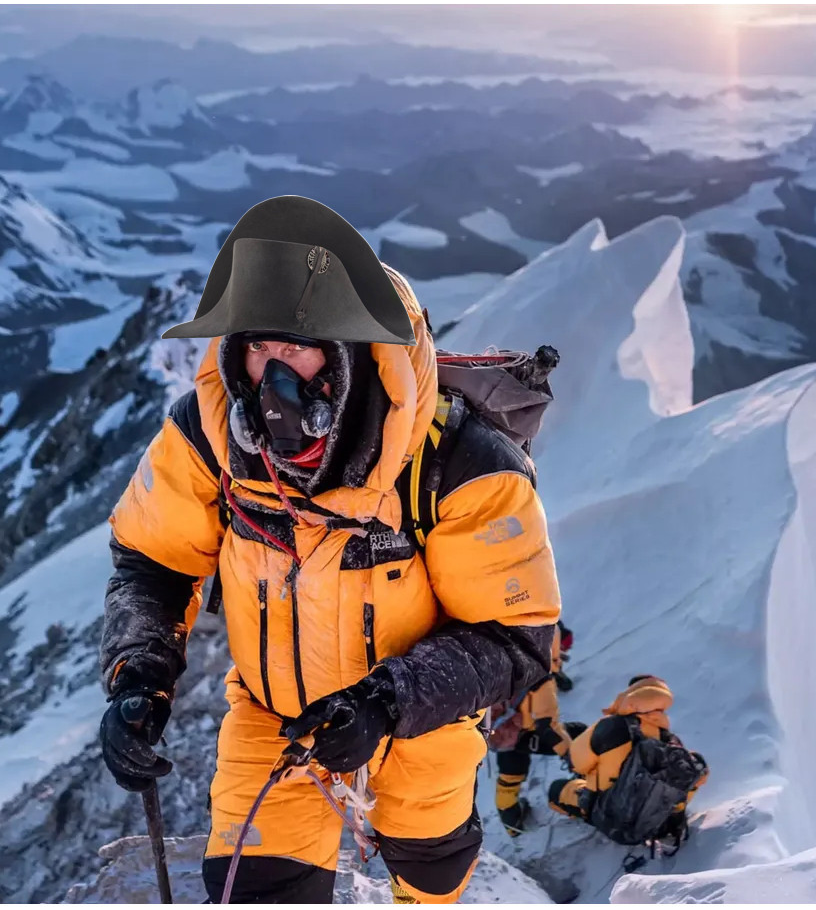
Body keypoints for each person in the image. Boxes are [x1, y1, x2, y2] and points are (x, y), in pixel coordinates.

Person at [96, 195, 562, 904]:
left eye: (297, 346)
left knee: (430, 869)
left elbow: (517, 638)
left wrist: (386, 701)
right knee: (255, 890)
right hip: (271, 713)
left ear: (350, 353)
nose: (273, 375)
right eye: (258, 346)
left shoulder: (459, 462)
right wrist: (140, 674)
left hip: (416, 725)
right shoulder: (211, 435)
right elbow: (153, 560)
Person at [548, 675, 707, 851]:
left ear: (630, 695)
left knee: (557, 789)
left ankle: (580, 813)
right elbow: (682, 786)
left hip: (606, 815)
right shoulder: (671, 743)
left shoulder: (609, 726)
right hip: (649, 824)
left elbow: (577, 763)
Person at [491, 622, 585, 836]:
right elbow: (548, 727)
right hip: (526, 733)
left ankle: (512, 826)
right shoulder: (542, 680)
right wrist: (571, 756)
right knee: (580, 733)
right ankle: (587, 790)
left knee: (509, 778)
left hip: (503, 734)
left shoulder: (511, 662)